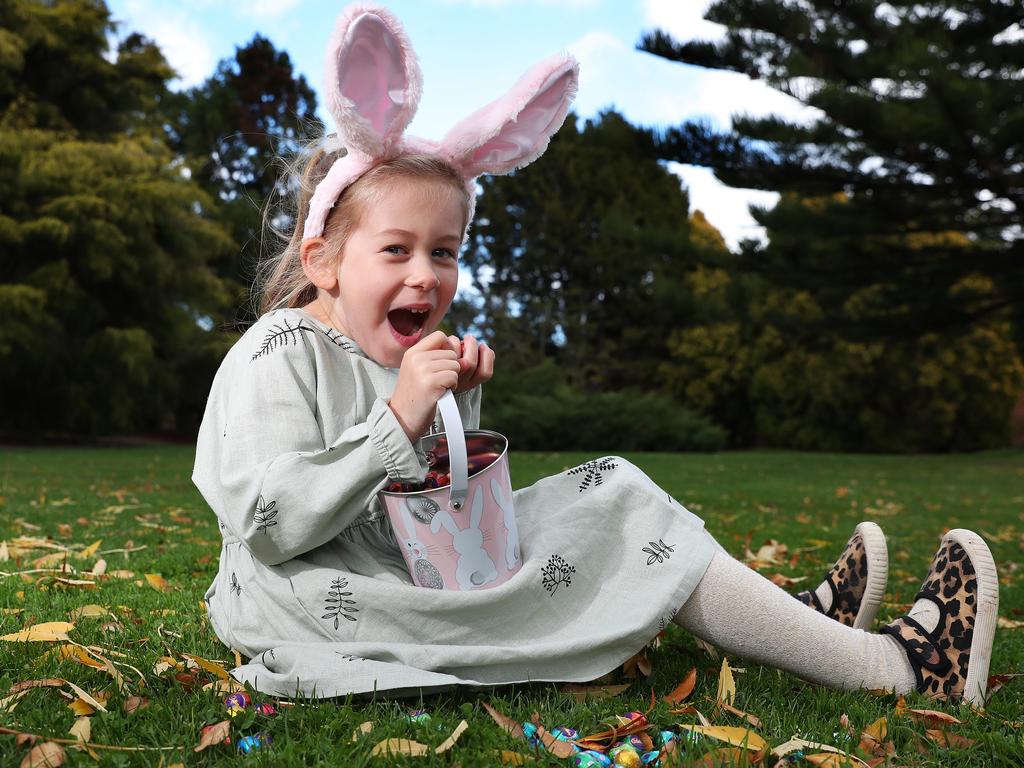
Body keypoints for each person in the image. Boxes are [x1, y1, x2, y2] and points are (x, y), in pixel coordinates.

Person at [193, 4, 999, 706]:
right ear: (325, 261)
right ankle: (893, 667)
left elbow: (431, 505)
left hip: (396, 569)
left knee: (609, 491)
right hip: (316, 601)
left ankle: (796, 625)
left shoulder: (392, 350)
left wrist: (455, 413)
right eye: (397, 249)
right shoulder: (279, 349)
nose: (425, 274)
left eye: (444, 252)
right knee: (614, 503)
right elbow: (267, 522)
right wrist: (405, 412)